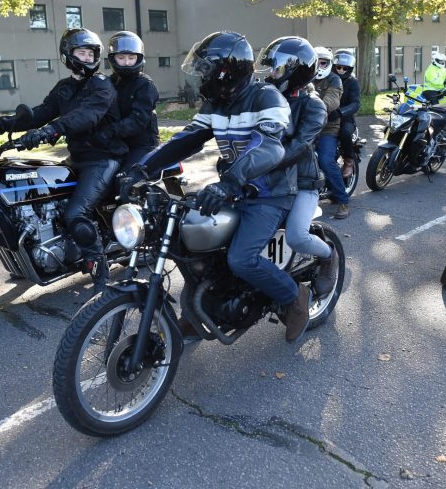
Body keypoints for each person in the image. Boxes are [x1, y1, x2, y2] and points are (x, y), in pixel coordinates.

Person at [119, 30, 310, 343]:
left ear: (226, 71)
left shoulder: (266, 97)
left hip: (269, 193)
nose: (201, 77)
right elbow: (186, 139)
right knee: (185, 243)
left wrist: (229, 182)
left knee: (241, 258)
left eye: (205, 70)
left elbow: (269, 146)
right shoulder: (216, 105)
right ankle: (197, 314)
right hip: (233, 188)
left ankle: (293, 297)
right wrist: (141, 170)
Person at [0, 28, 125, 276]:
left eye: (90, 54)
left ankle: (99, 267)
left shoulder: (101, 85)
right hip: (77, 158)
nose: (87, 58)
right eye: (81, 53)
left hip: (102, 159)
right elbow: (38, 114)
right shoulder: (64, 87)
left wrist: (52, 130)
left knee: (76, 213)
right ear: (68, 55)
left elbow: (87, 115)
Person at [255, 36, 339, 293]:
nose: (270, 74)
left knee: (297, 236)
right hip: (269, 182)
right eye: (269, 67)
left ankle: (328, 256)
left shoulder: (313, 106)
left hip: (302, 181)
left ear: (295, 71)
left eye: (276, 68)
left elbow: (298, 146)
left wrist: (258, 165)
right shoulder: (264, 97)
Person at [95, 31, 159, 171]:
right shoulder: (110, 82)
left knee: (124, 180)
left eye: (131, 57)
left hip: (142, 145)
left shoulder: (145, 84)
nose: (126, 62)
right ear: (113, 58)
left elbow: (138, 120)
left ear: (139, 58)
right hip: (116, 143)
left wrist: (109, 131)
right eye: (121, 57)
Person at [313, 46, 350, 219]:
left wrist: (314, 107)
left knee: (325, 161)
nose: (319, 65)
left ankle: (342, 201)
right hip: (305, 126)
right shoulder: (305, 77)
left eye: (323, 62)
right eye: (316, 61)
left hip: (328, 127)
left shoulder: (334, 80)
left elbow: (331, 100)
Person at [332, 49, 361, 179]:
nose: (341, 70)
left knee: (345, 133)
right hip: (326, 116)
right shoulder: (329, 79)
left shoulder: (352, 82)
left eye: (345, 68)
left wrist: (340, 112)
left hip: (346, 119)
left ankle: (349, 161)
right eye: (338, 67)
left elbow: (355, 104)